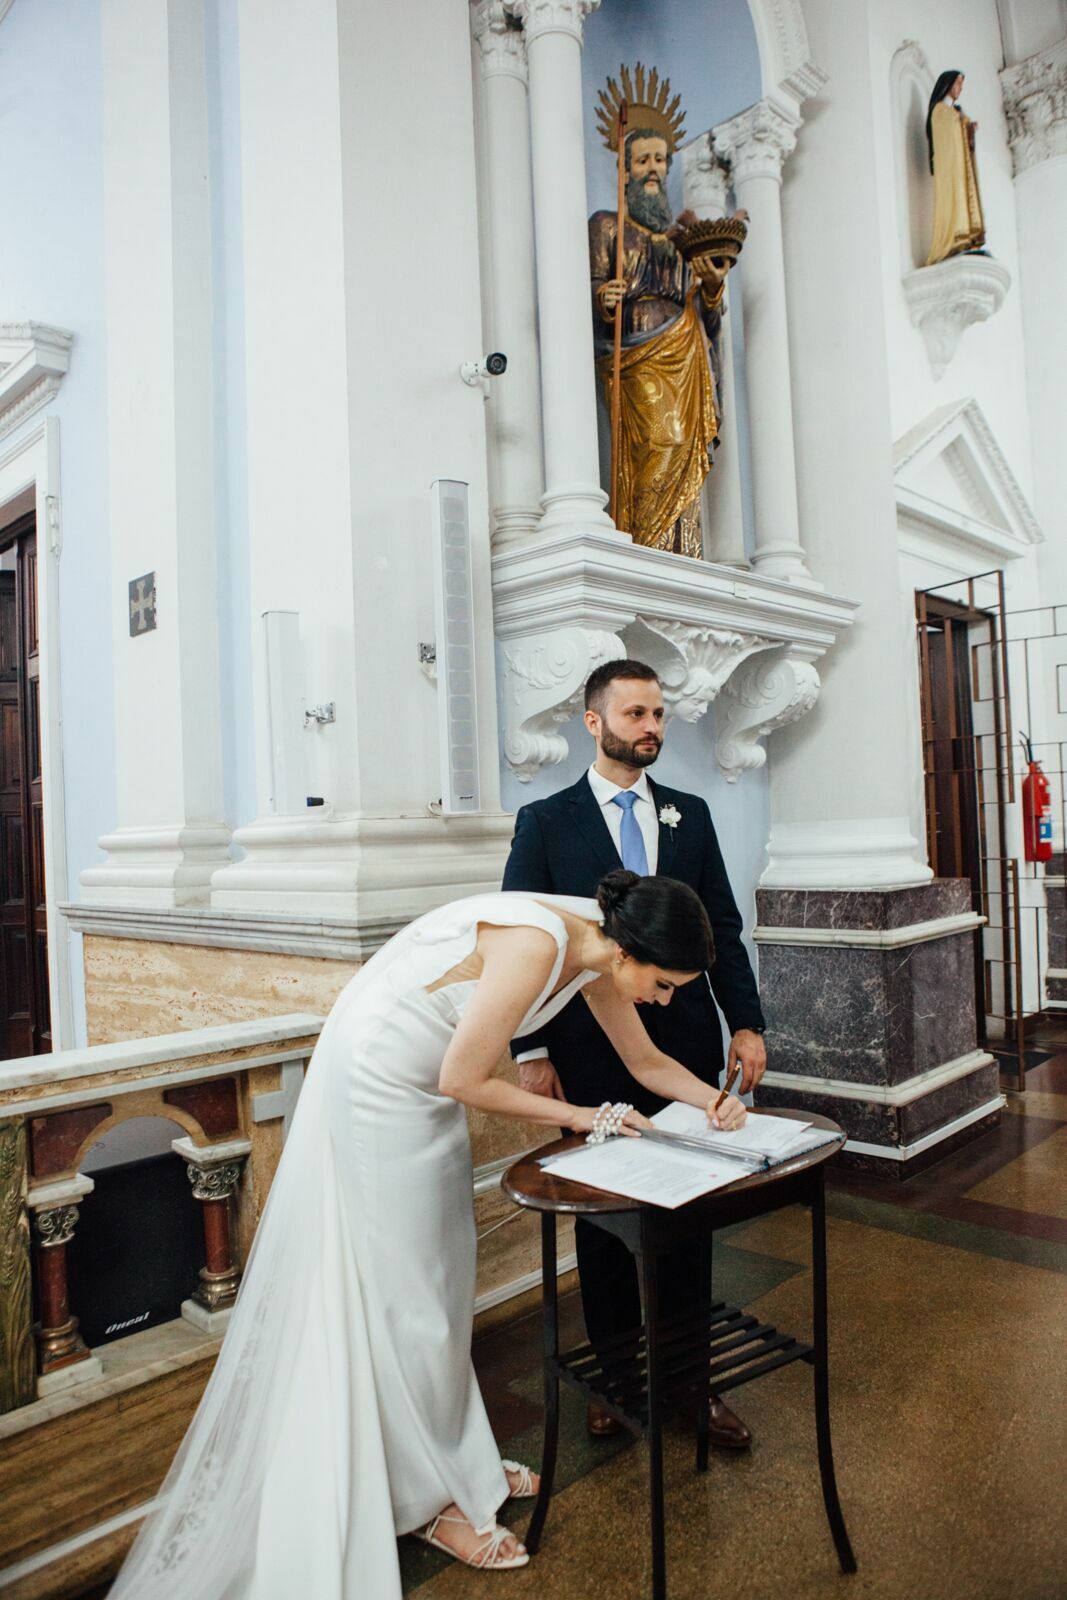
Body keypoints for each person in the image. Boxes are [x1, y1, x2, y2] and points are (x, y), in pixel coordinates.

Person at [107, 872, 745, 1599]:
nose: (661, 1000)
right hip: (382, 1082)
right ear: (630, 950)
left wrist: (716, 1102)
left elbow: (645, 1064)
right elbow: (462, 1079)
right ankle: (429, 1505)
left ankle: (460, 1461)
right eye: (662, 984)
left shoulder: (595, 953)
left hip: (426, 1082)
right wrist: (584, 1118)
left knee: (441, 1285)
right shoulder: (539, 945)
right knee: (409, 1300)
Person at [503, 658, 766, 1446]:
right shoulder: (546, 822)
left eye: (659, 715)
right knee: (604, 1218)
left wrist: (744, 1023)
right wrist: (528, 1045)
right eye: (635, 714)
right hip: (587, 1049)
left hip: (680, 1044)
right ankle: (616, 1379)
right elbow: (524, 934)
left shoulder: (690, 813)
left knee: (691, 1210)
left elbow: (720, 928)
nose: (651, 727)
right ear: (594, 720)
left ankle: (693, 1381)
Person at [589, 65, 747, 555]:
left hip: (685, 348)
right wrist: (604, 298)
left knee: (685, 447)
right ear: (625, 169)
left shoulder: (681, 242)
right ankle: (646, 546)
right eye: (643, 161)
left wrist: (715, 289)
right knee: (661, 443)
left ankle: (684, 550)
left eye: (661, 160)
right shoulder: (608, 226)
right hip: (634, 354)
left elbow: (709, 317)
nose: (654, 169)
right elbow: (596, 291)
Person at [925, 70, 985, 265]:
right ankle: (953, 239)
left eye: (961, 85)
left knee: (965, 199)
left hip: (961, 169)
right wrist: (961, 124)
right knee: (954, 200)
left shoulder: (956, 113)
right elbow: (944, 138)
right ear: (947, 84)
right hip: (950, 170)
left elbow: (960, 133)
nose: (959, 89)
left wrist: (968, 128)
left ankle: (966, 239)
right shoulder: (940, 111)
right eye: (957, 84)